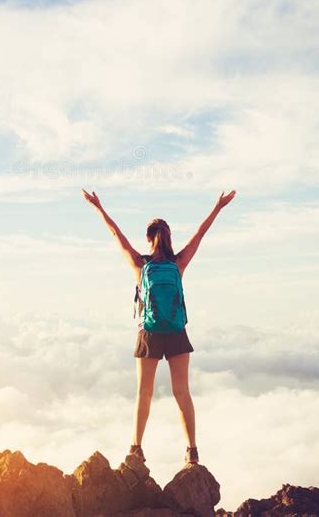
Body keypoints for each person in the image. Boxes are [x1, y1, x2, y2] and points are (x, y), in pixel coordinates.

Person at [82, 187, 236, 466]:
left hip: (149, 333)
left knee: (144, 393)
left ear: (149, 238)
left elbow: (117, 235)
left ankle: (136, 448)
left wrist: (98, 208)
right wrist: (218, 207)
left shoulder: (141, 265)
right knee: (182, 392)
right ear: (167, 238)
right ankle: (192, 451)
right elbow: (200, 235)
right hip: (176, 331)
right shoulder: (178, 263)